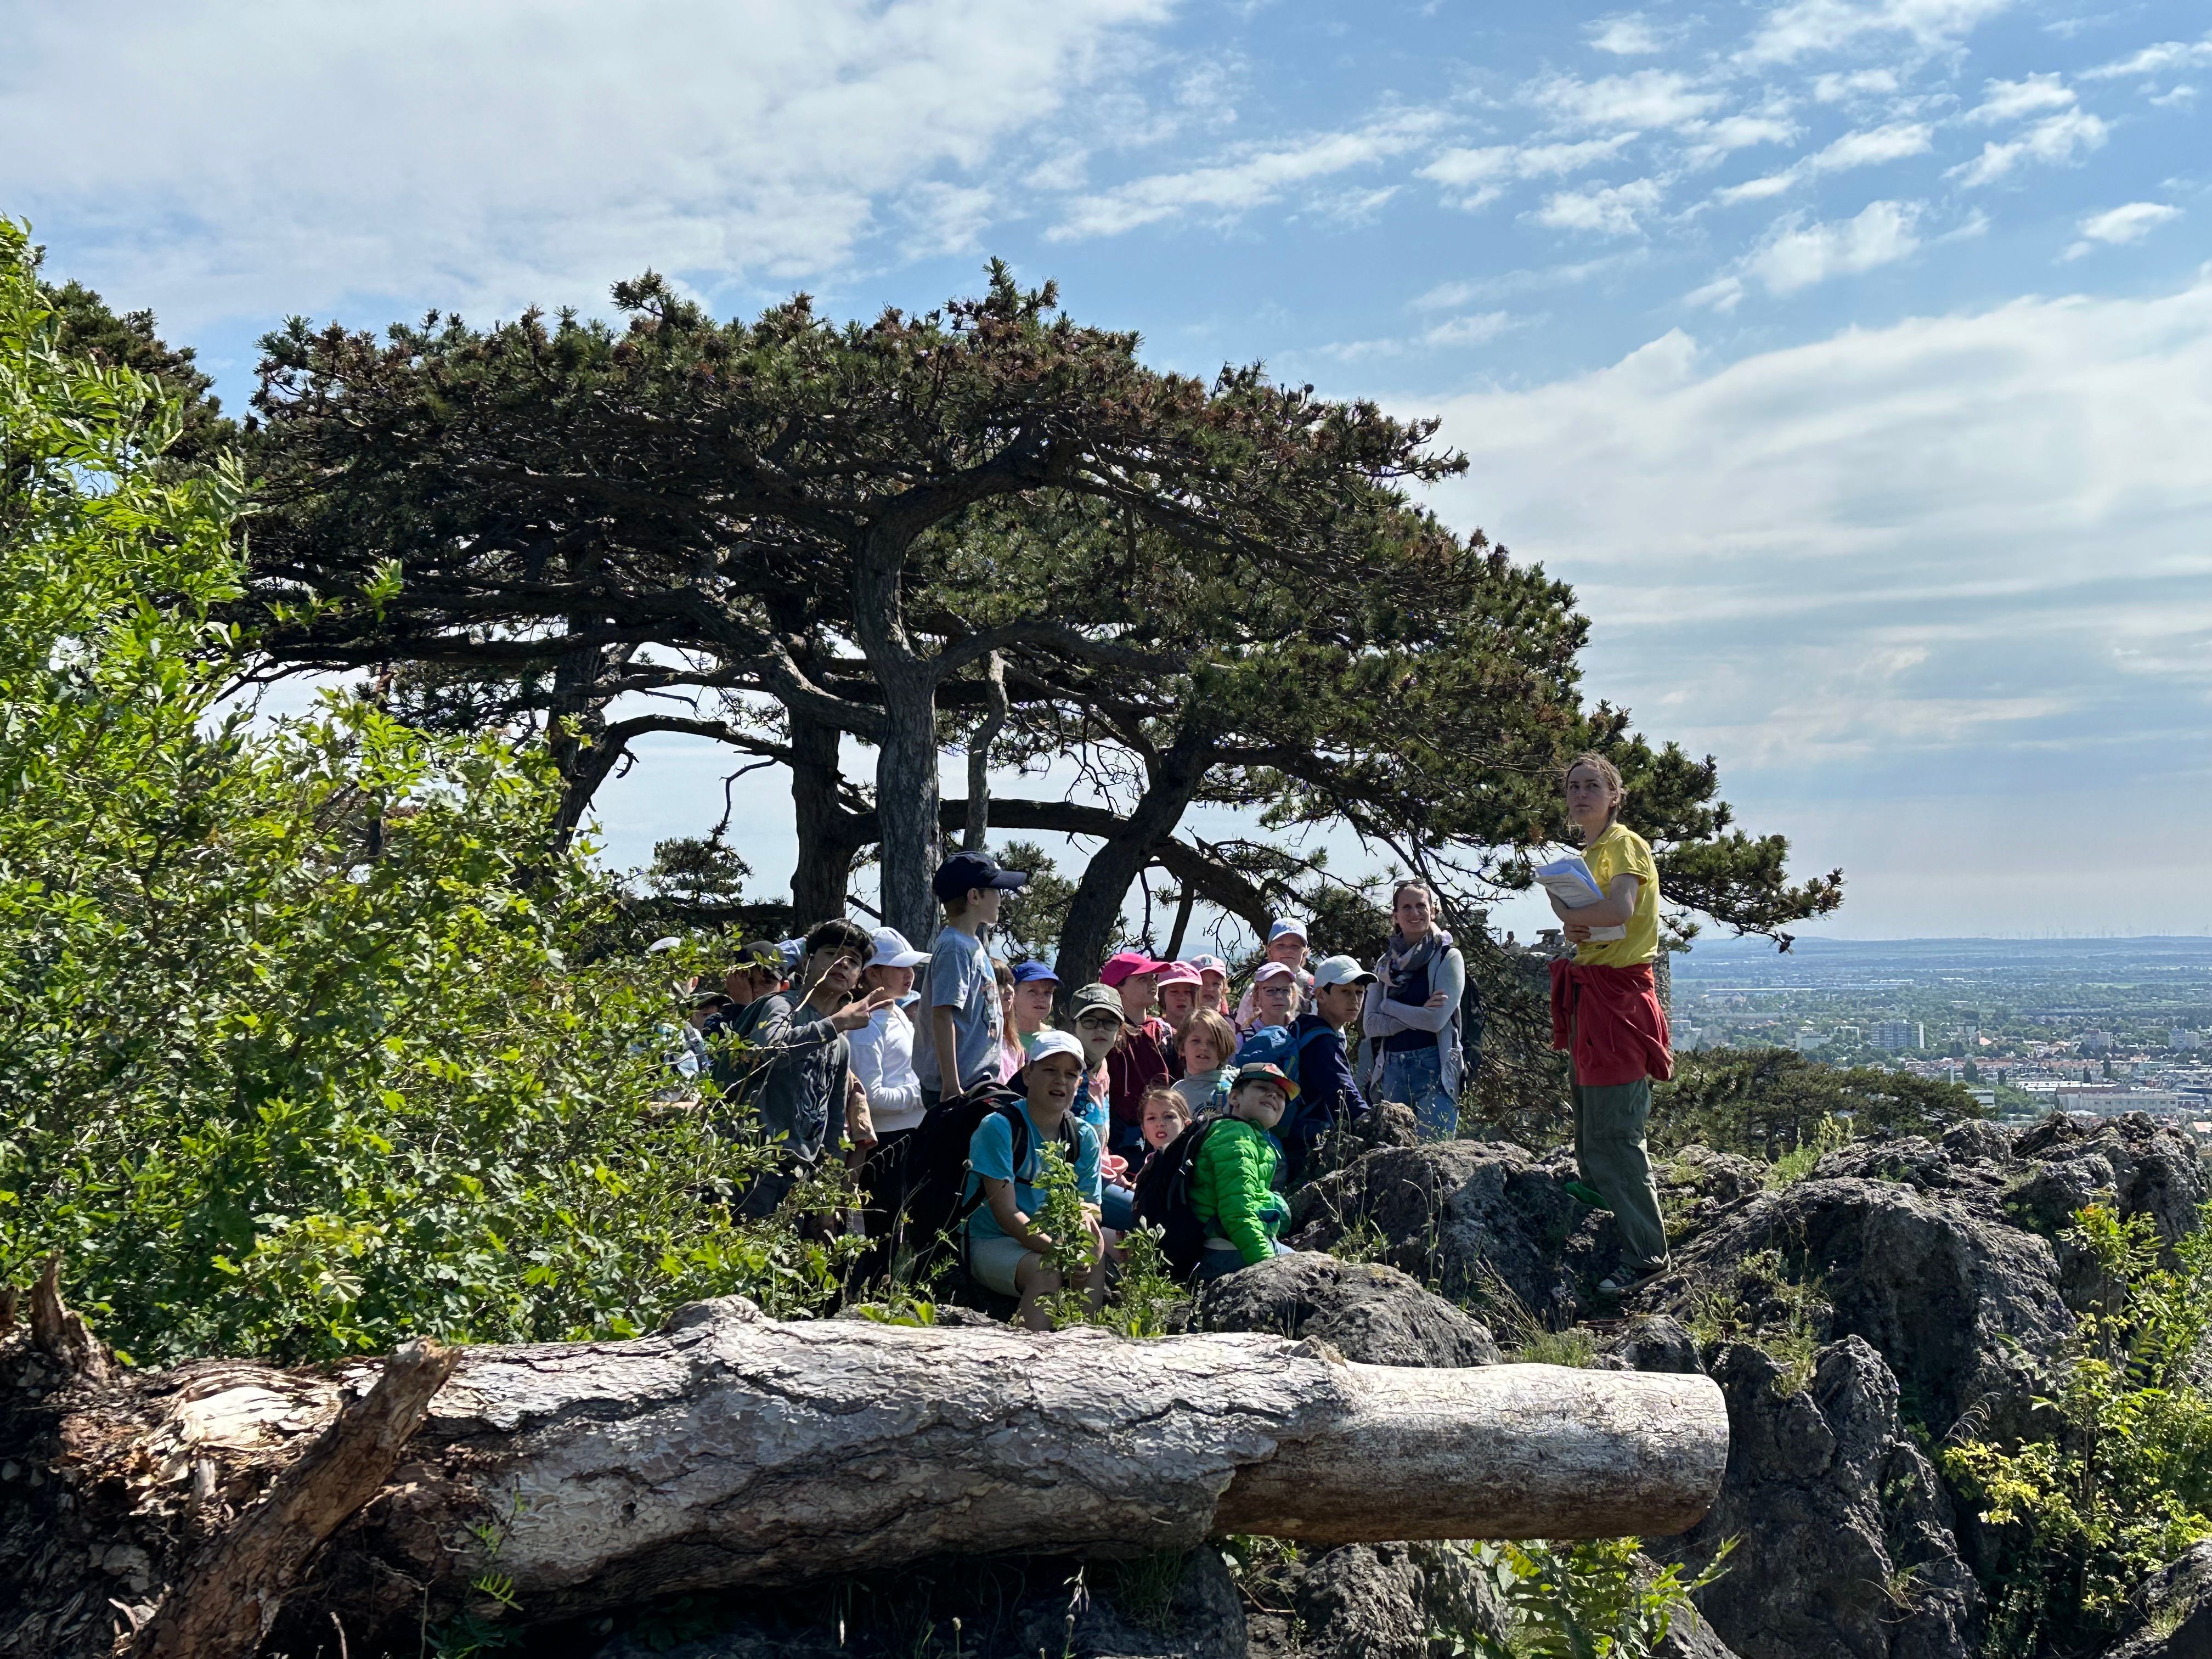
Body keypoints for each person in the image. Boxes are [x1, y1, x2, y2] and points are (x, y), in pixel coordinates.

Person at [1548, 752, 1673, 1295]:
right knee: (1590, 1113)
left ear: (1614, 795)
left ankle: (1646, 1254)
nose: (1581, 794)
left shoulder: (1623, 844)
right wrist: (1574, 922)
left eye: (1592, 786)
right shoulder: (1590, 852)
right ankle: (1605, 1199)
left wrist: (1574, 916)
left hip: (1618, 1003)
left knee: (1617, 1131)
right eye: (1574, 786)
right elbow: (1594, 924)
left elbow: (1620, 910)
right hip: (1594, 999)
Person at [723, 918, 892, 1218]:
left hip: (801, 1176)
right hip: (753, 1163)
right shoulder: (783, 1006)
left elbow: (834, 1118)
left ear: (857, 978)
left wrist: (826, 1190)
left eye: (853, 962)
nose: (842, 964)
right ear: (808, 960)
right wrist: (837, 1023)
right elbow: (768, 1050)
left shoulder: (841, 1044)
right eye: (831, 954)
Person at [962, 1029, 1107, 1331]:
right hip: (991, 1241)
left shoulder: (1084, 1137)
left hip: (1050, 1240)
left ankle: (1083, 1353)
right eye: (1050, 1070)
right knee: (1048, 1272)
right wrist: (1060, 1253)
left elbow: (1089, 1206)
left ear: (1079, 1083)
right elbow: (1007, 1215)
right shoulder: (999, 1128)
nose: (1061, 1081)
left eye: (1070, 1075)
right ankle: (1029, 1359)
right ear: (1028, 1075)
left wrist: (1084, 1245)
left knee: (1097, 1252)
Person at [914, 850, 1028, 1107]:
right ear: (974, 896)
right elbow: (943, 1014)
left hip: (974, 1085)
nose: (1001, 898)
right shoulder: (954, 947)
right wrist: (951, 1085)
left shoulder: (970, 942)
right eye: (995, 890)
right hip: (958, 1089)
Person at [1362, 881, 1469, 1141]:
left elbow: (1435, 1022)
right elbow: (1371, 1026)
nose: (1415, 913)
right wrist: (1417, 1013)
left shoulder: (1448, 957)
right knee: (1394, 1158)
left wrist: (1390, 1007)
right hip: (1392, 1070)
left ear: (1433, 911)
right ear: (1396, 916)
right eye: (1406, 907)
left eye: (1421, 905)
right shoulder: (1385, 965)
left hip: (1436, 1067)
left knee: (1434, 1155)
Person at [1190, 1063, 1299, 1282]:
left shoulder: (1250, 1136)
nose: (1273, 1095)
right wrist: (1267, 1267)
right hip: (1225, 1253)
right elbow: (1238, 1212)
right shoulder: (1237, 1136)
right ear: (1234, 1098)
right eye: (1261, 1087)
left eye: (1280, 1095)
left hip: (1232, 1246)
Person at [1274, 953, 1374, 1181]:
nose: (1355, 1001)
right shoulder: (1322, 1041)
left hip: (1291, 1136)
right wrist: (1375, 1126)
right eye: (1345, 992)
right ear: (1320, 995)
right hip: (1304, 1144)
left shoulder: (1305, 1028)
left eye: (1359, 993)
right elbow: (1343, 1095)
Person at [850, 928, 929, 1151]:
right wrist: (924, 1093)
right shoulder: (865, 1025)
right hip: (887, 1143)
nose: (910, 974)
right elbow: (870, 1098)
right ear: (873, 974)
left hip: (912, 1133)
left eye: (910, 966)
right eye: (899, 967)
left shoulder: (897, 1013)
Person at [1099, 950, 1172, 1159]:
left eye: (1152, 977)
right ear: (1118, 990)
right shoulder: (1108, 1036)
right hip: (1120, 1141)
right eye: (1143, 979)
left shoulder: (1164, 1033)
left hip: (1163, 1133)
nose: (1153, 982)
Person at [1235, 920, 1311, 1032]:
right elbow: (1242, 1028)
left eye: (1295, 946)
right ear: (1269, 951)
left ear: (1304, 953)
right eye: (1280, 946)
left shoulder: (1314, 988)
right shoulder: (1256, 989)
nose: (1288, 951)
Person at [1173, 1007, 1237, 1117]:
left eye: (1213, 1043)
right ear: (1182, 1048)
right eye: (1196, 1041)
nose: (1204, 1047)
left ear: (1224, 1049)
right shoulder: (1177, 1094)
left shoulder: (1237, 1085)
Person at [1154, 961, 1203, 1076]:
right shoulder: (1155, 1032)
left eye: (1187, 992)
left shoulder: (1204, 1031)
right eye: (1174, 992)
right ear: (1162, 996)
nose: (1181, 997)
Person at [1134, 1085, 1194, 1176]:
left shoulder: (1194, 1163)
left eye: (1169, 1116)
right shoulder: (1149, 1165)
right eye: (1152, 1118)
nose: (1160, 1123)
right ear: (1144, 1130)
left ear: (1187, 1125)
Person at [1009, 960, 1058, 1055]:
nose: (1041, 998)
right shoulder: (999, 1037)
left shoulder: (1056, 1040)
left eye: (1047, 993)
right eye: (1033, 991)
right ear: (1014, 994)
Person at [993, 957, 1024, 1081]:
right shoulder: (975, 1040)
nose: (1010, 990)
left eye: (1011, 983)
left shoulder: (1013, 1043)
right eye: (1000, 984)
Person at [1246, 961, 1300, 1032]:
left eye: (1285, 990)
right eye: (1271, 990)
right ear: (1257, 997)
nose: (1279, 996)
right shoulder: (1244, 1040)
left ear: (1292, 995)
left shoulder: (1301, 1034)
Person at [1184, 953, 1232, 1018]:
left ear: (1224, 990)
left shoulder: (1230, 1026)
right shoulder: (1179, 1025)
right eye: (1203, 983)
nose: (1210, 988)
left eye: (1216, 984)